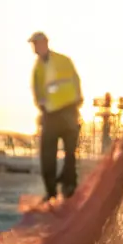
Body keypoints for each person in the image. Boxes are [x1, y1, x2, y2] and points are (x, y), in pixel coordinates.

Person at [29, 32, 82, 200]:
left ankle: (69, 187)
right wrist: (42, 107)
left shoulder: (62, 61)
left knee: (70, 152)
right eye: (34, 45)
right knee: (47, 155)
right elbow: (37, 91)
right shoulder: (38, 68)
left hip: (67, 111)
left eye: (36, 44)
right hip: (51, 114)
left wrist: (76, 103)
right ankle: (52, 191)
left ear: (44, 43)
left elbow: (75, 81)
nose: (35, 48)